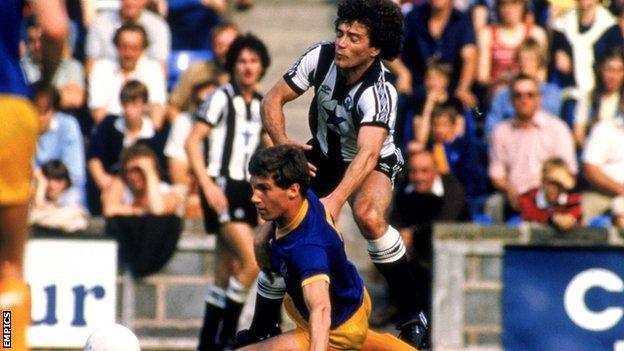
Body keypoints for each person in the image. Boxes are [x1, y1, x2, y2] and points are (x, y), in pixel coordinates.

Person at [258, 0, 428, 346]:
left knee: (368, 216)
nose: (342, 42)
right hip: (321, 154)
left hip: (373, 162)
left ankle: (412, 313)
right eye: (340, 33)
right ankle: (264, 323)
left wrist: (334, 201)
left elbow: (367, 154)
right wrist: (283, 143)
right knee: (268, 236)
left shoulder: (380, 91)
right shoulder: (319, 57)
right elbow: (271, 100)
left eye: (354, 38)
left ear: (375, 48)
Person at [232, 145, 416, 351]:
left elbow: (320, 310)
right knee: (274, 265)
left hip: (336, 329)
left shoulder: (308, 251)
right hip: (349, 300)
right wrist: (260, 239)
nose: (254, 197)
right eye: (254, 187)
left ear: (293, 190)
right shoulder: (304, 197)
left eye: (264, 189)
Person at [185, 34, 272, 350]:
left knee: (224, 272)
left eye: (253, 61)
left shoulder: (261, 103)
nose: (247, 67)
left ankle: (207, 343)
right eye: (242, 61)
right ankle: (228, 339)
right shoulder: (221, 97)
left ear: (261, 66)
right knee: (253, 260)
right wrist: (206, 184)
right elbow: (192, 140)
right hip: (222, 188)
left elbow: (269, 146)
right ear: (232, 65)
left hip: (247, 191)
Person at [0, 1, 68, 350]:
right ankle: (8, 343)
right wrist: (46, 79)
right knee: (9, 266)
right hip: (8, 106)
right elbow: (55, 27)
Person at [373, 150, 468, 329]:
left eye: (424, 171)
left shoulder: (452, 187)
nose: (418, 177)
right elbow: (395, 217)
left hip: (452, 249)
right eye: (414, 171)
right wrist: (400, 236)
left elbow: (446, 221)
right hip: (418, 250)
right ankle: (395, 305)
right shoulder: (406, 187)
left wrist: (413, 233)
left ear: (436, 171)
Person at [487, 74, 577, 222]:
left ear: (539, 98)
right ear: (511, 100)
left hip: (549, 194)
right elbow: (497, 175)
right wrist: (510, 190)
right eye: (518, 95)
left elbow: (568, 172)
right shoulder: (501, 131)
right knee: (493, 203)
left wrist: (547, 192)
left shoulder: (557, 128)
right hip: (514, 195)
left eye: (530, 95)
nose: (524, 99)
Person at [87, 80, 169, 214]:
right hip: (113, 183)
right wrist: (103, 180)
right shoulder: (109, 126)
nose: (129, 110)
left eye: (135, 105)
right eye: (126, 105)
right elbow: (94, 157)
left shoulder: (155, 137)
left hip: (142, 187)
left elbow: (160, 171)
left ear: (144, 104)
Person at [102, 144, 183, 277]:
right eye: (131, 170)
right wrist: (139, 211)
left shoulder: (166, 191)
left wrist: (150, 172)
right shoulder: (122, 186)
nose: (136, 176)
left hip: (156, 252)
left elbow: (157, 210)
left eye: (140, 170)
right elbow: (109, 210)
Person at [401, 0, 478, 108]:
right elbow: (392, 50)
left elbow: (470, 56)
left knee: (475, 110)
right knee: (398, 103)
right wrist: (403, 73)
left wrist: (464, 87)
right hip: (417, 89)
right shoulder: (413, 17)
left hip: (452, 91)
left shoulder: (462, 20)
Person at [88, 23, 167, 128]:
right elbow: (97, 109)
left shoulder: (153, 69)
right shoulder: (101, 68)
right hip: (109, 133)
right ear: (116, 46)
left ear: (143, 49)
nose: (128, 53)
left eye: (134, 48)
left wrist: (150, 138)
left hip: (143, 133)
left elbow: (157, 108)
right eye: (124, 47)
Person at [485, 38, 561, 137]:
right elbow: (490, 129)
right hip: (509, 142)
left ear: (539, 63)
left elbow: (546, 120)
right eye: (521, 59)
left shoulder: (551, 93)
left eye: (530, 59)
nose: (525, 64)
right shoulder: (502, 95)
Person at [168, 23, 239, 118]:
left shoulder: (245, 74)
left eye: (230, 45)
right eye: (220, 45)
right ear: (212, 46)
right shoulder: (196, 70)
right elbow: (173, 107)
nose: (226, 50)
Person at [476, 0, 547, 95]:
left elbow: (541, 76)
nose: (509, 9)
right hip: (499, 92)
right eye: (504, 4)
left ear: (523, 5)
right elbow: (482, 78)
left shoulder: (536, 33)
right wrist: (502, 80)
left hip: (530, 92)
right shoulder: (487, 34)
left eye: (514, 3)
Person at [32, 83, 87, 206]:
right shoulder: (21, 128)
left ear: (54, 111)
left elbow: (75, 175)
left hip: (64, 193)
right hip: (32, 191)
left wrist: (49, 186)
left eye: (43, 112)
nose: (38, 117)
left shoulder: (68, 125)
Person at [85, 0, 171, 74]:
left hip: (143, 85)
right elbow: (91, 65)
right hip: (108, 82)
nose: (131, 2)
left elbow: (161, 69)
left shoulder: (158, 26)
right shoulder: (100, 23)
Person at [573, 47, 624, 146]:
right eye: (610, 70)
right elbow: (579, 132)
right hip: (591, 150)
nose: (613, 76)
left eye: (619, 71)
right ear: (601, 70)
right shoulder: (589, 98)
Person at [580, 110, 624, 223]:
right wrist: (621, 189)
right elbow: (590, 170)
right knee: (580, 213)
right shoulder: (605, 128)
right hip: (602, 195)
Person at [518, 157, 581, 230]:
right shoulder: (529, 198)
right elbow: (531, 216)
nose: (555, 188)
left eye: (559, 184)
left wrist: (569, 219)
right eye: (551, 183)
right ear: (543, 182)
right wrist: (552, 219)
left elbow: (576, 214)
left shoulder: (571, 199)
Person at [30, 160, 89, 233]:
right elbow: (34, 214)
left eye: (58, 181)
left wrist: (45, 212)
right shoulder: (36, 192)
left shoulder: (73, 194)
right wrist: (41, 184)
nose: (52, 185)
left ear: (66, 182)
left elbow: (76, 216)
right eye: (48, 179)